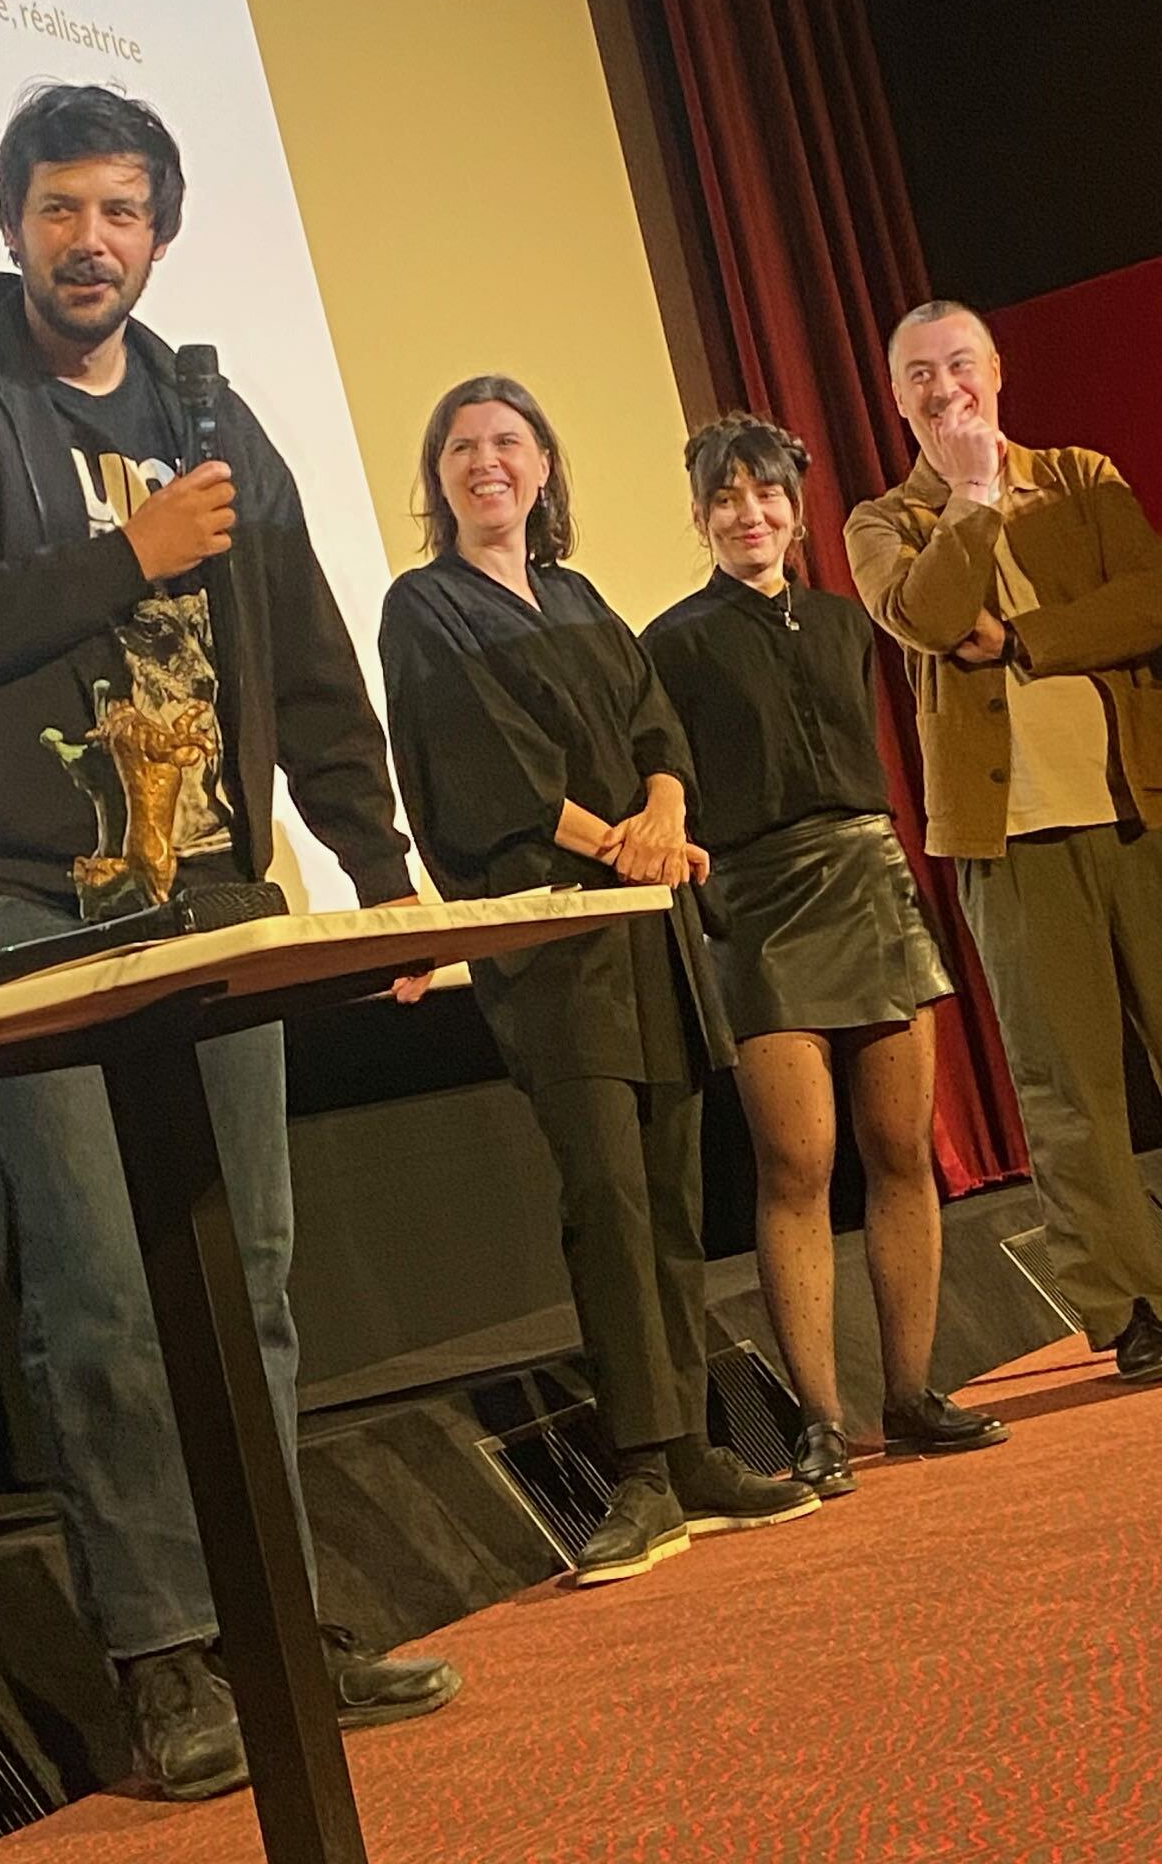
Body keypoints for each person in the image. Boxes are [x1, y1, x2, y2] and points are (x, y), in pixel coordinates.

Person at [0, 82, 459, 1801]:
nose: (89, 240)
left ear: (161, 236)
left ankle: (272, 1621)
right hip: (6, 893)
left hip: (209, 894)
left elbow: (307, 649)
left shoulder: (209, 412)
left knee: (243, 1278)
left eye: (120, 211)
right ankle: (166, 1662)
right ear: (12, 224)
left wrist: (379, 865)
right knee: (101, 1295)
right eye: (60, 208)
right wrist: (129, 552)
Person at [379, 375, 820, 1584]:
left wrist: (665, 809)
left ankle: (695, 1456)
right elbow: (485, 771)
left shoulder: (576, 596)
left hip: (649, 932)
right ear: (439, 475)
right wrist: (620, 843)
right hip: (556, 942)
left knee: (672, 1198)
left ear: (544, 466)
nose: (487, 462)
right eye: (463, 446)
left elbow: (655, 731)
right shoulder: (424, 607)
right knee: (610, 1200)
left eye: (509, 442)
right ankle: (637, 1469)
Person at [844, 299, 1162, 1381]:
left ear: (996, 369)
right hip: (1010, 837)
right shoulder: (884, 523)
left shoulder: (1077, 476)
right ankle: (1128, 1309)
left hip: (1140, 806)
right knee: (1068, 1089)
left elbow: (1150, 601)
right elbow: (929, 616)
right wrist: (971, 499)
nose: (943, 387)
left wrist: (1021, 639)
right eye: (918, 373)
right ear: (896, 396)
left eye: (958, 363)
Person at [643, 414, 1007, 1494]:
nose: (748, 515)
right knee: (797, 1165)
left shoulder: (848, 623)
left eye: (766, 496)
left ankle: (912, 1394)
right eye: (725, 499)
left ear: (796, 513)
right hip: (758, 901)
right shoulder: (671, 642)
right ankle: (820, 1422)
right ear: (700, 517)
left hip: (870, 879)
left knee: (901, 1150)